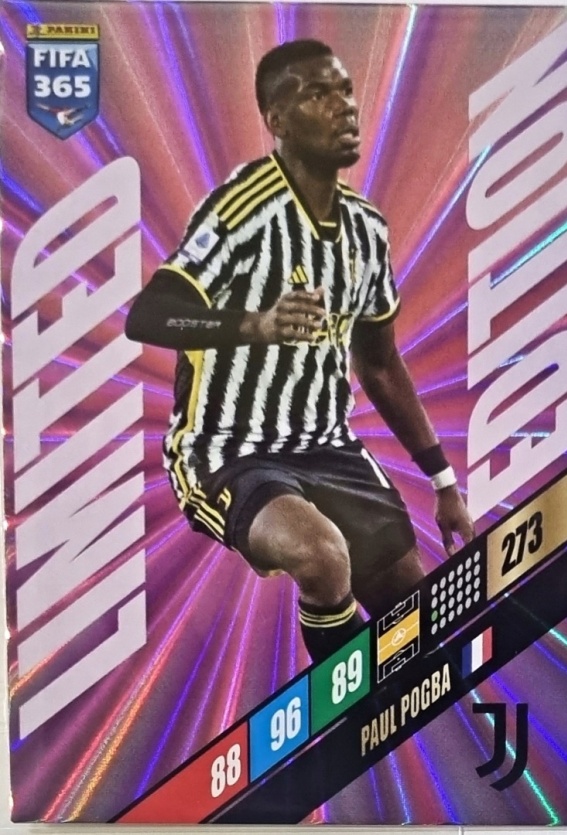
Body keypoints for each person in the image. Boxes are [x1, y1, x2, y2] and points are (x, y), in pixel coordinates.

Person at [125, 39, 475, 663]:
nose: (344, 106)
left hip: (328, 448)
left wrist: (443, 481)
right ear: (278, 120)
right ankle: (344, 710)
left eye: (345, 90)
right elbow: (148, 314)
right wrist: (256, 325)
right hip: (228, 450)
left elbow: (380, 364)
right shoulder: (244, 208)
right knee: (322, 555)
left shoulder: (367, 230)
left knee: (418, 617)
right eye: (318, 93)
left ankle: (382, 701)